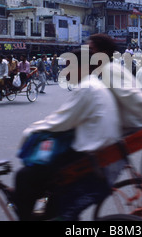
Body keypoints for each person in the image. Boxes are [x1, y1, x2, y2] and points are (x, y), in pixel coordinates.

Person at [14, 48, 120, 221]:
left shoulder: (86, 88)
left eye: (68, 66)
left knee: (24, 177)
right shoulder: (96, 85)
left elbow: (60, 121)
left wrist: (31, 131)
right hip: (97, 154)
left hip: (87, 158)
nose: (65, 71)